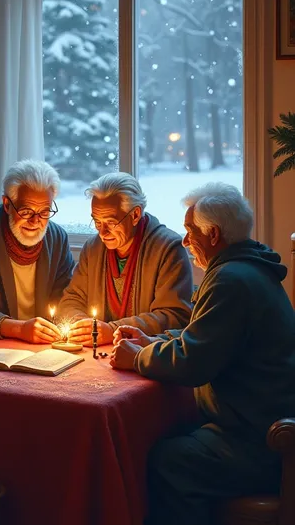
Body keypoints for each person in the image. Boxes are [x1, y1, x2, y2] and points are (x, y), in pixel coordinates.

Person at [110, 182, 295, 525]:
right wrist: (153, 341)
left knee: (169, 461)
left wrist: (136, 358)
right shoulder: (248, 268)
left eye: (189, 230)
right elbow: (207, 335)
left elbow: (194, 362)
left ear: (212, 234)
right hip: (258, 423)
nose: (184, 240)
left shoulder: (229, 279)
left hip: (258, 441)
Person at [58, 172, 193, 346]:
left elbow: (174, 316)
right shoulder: (93, 249)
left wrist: (113, 329)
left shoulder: (168, 249)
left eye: (111, 223)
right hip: (98, 352)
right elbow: (71, 300)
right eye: (97, 222)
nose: (102, 232)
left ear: (135, 214)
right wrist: (83, 325)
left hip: (145, 354)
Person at [0, 160, 74, 343]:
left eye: (44, 212)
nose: (36, 221)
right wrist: (18, 328)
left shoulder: (57, 238)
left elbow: (66, 298)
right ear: (7, 204)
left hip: (45, 347)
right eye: (26, 211)